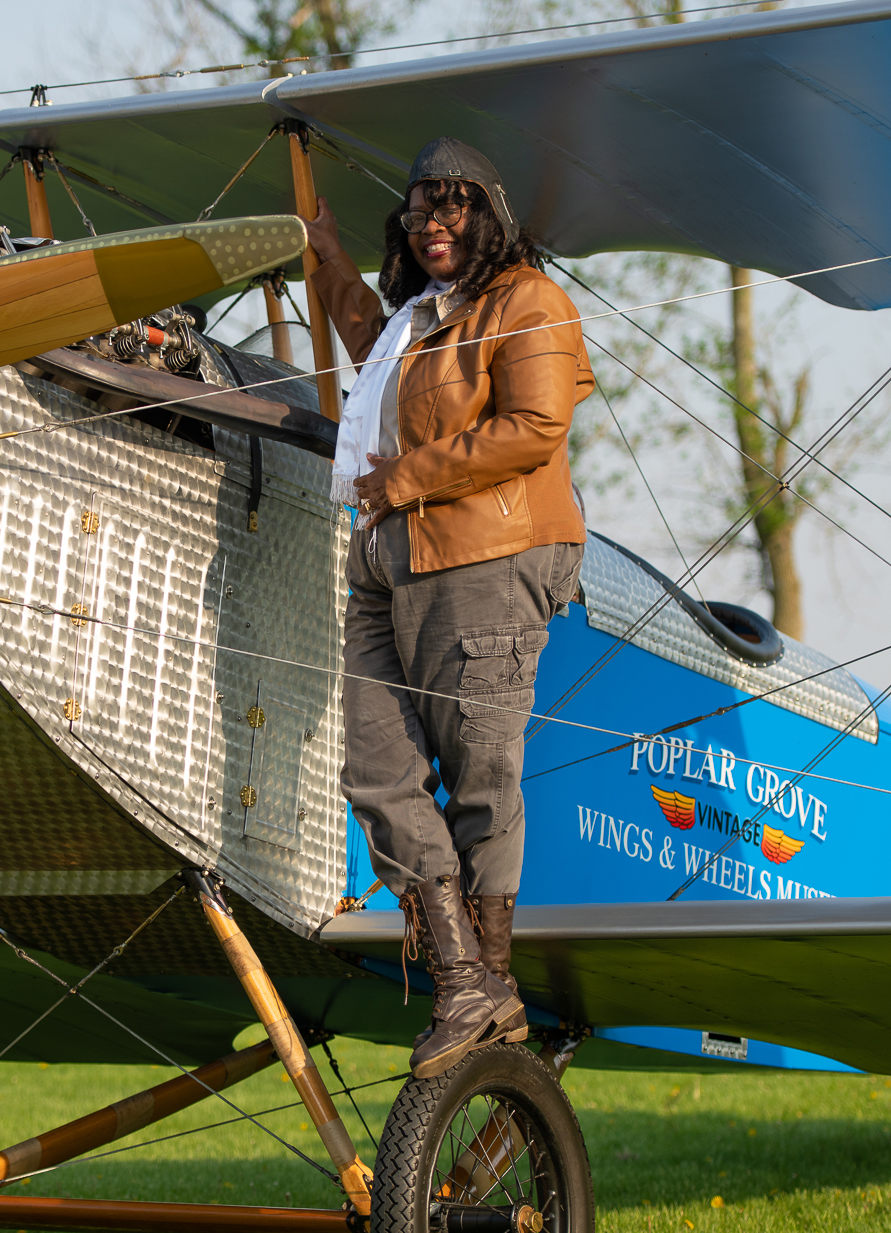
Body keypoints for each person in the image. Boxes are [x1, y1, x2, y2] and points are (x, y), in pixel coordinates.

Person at [305, 137, 593, 1079]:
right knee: (377, 770)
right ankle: (466, 979)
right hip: (385, 563)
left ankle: (490, 978)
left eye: (456, 204)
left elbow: (537, 425)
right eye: (421, 206)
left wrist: (406, 479)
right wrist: (323, 251)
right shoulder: (416, 322)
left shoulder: (529, 303)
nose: (434, 221)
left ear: (492, 216)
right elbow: (364, 336)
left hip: (486, 551)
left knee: (479, 777)